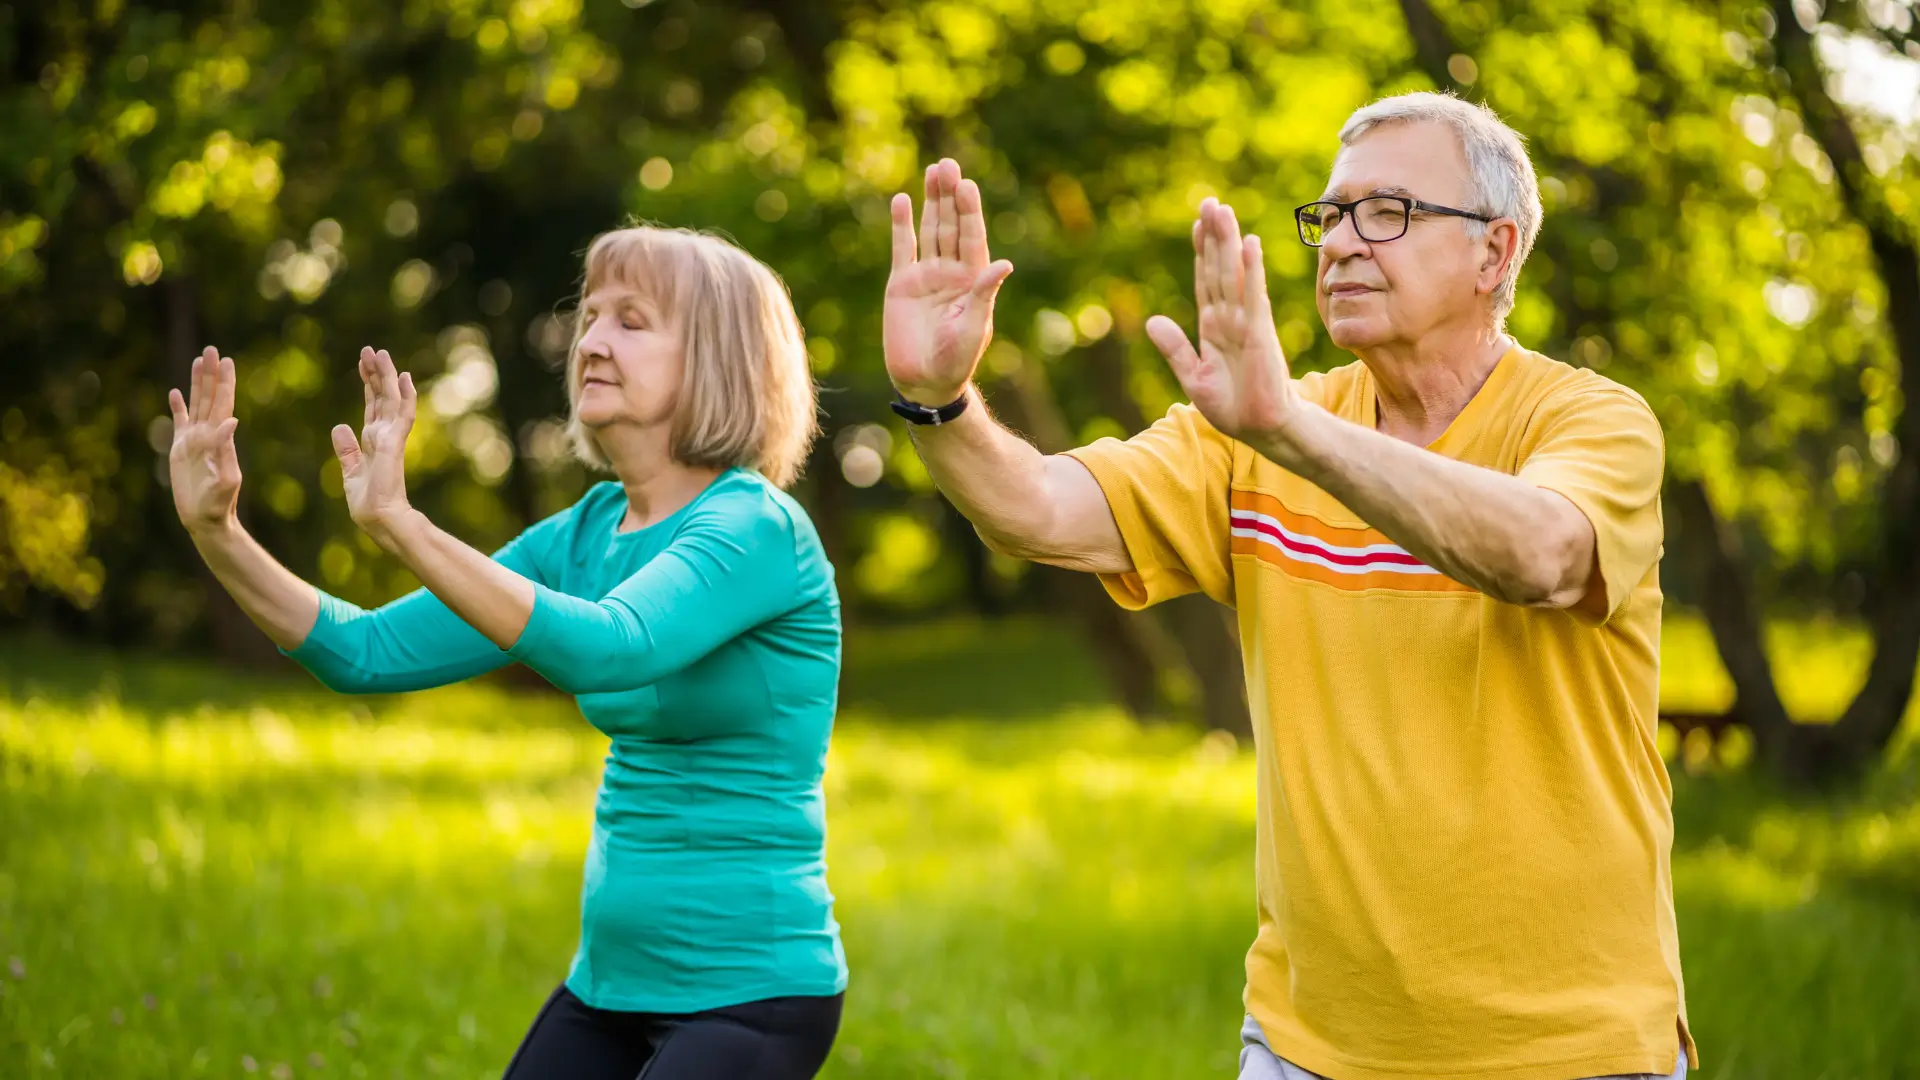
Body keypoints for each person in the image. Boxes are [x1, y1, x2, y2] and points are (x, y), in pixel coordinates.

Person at [881, 93, 1693, 1080]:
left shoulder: (1588, 420)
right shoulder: (1258, 429)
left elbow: (1543, 554)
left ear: (1495, 252)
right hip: (1308, 1047)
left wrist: (1293, 433)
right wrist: (940, 401)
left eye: (1388, 212)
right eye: (1332, 215)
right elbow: (1038, 510)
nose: (1342, 242)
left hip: (1569, 1049)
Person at [167, 225, 846, 1079]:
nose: (591, 342)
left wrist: (403, 525)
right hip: (611, 985)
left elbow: (612, 649)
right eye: (590, 316)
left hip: (754, 996)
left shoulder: (756, 527)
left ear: (719, 358)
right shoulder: (588, 532)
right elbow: (364, 651)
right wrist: (218, 532)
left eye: (631, 321)